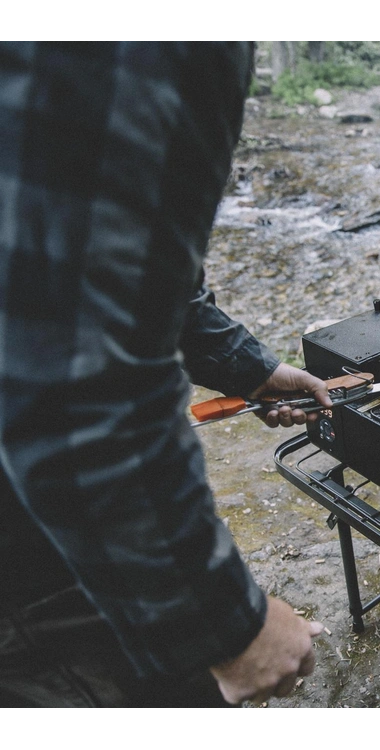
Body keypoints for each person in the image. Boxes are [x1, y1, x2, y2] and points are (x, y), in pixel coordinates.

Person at [0, 40, 334, 710]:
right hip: (31, 560)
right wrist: (230, 626)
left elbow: (93, 258)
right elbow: (78, 385)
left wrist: (250, 367)